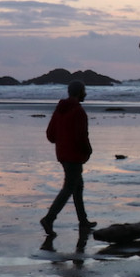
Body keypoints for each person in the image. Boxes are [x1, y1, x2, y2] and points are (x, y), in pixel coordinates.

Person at [40, 81, 94, 237]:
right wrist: (88, 151)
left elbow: (50, 135)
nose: (86, 93)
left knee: (77, 186)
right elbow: (82, 136)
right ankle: (49, 219)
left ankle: (83, 221)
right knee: (69, 188)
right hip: (74, 156)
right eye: (84, 91)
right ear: (79, 92)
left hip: (63, 154)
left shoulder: (59, 110)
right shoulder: (78, 112)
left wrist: (63, 142)